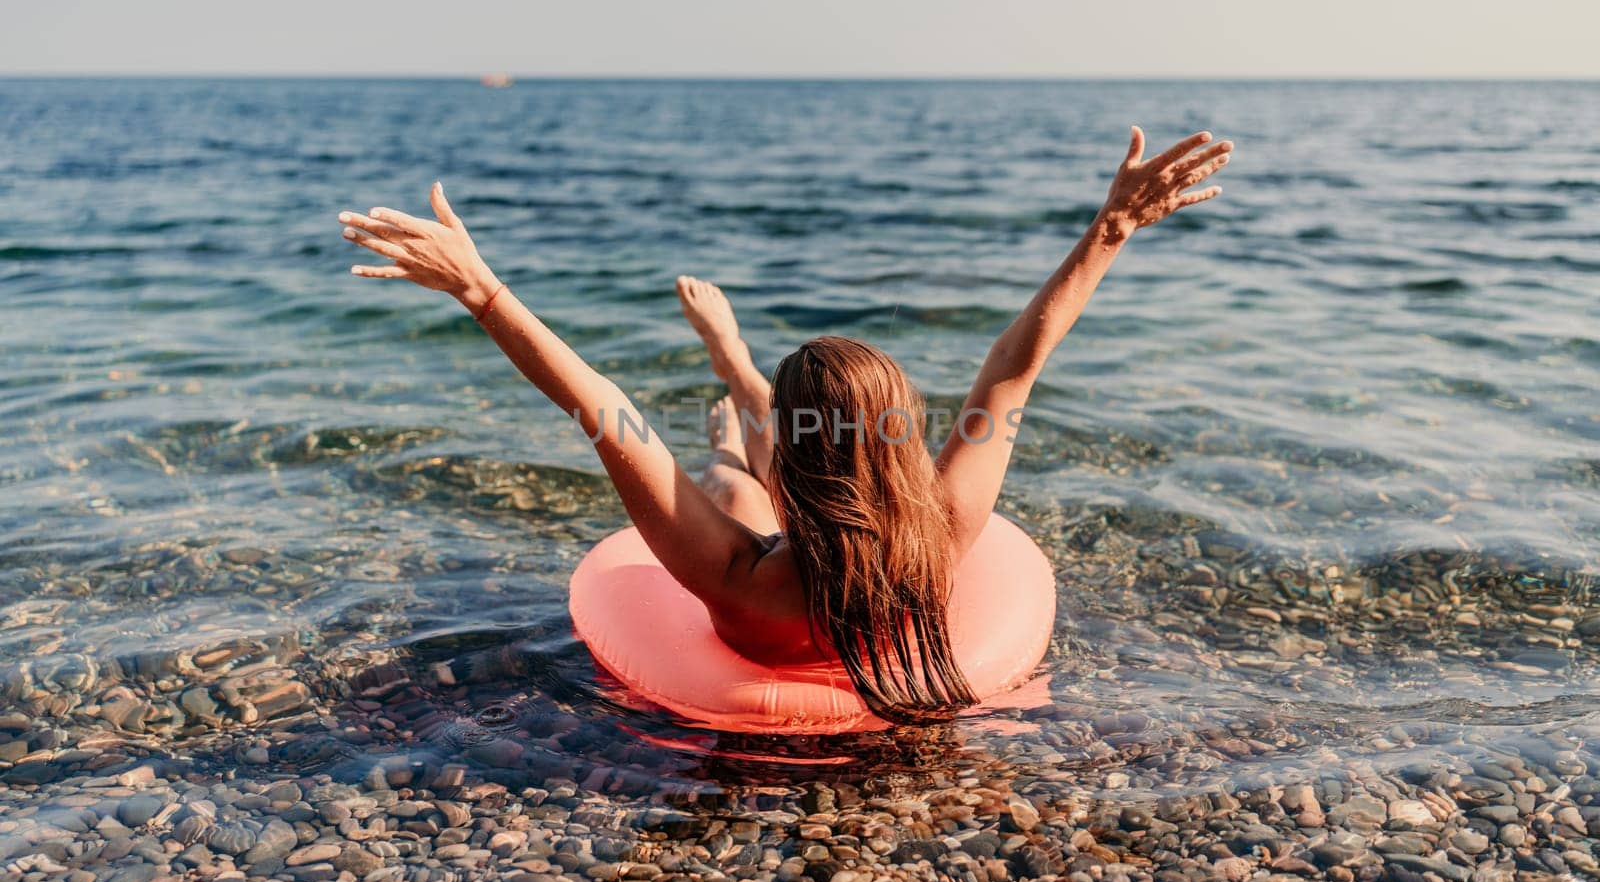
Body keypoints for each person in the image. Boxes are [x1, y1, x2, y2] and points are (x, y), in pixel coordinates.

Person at [338, 126, 1230, 722]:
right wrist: (1111, 228)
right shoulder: (948, 527)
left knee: (729, 482)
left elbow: (607, 413)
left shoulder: (734, 577)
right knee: (807, 452)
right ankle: (740, 375)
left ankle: (737, 416)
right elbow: (1013, 371)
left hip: (775, 541)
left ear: (790, 469)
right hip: (861, 531)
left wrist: (481, 290)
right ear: (908, 439)